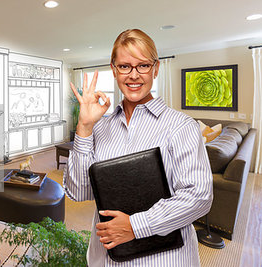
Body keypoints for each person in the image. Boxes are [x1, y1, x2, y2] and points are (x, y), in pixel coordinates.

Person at [63, 29, 213, 266]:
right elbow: (80, 191)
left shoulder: (181, 126)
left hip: (165, 259)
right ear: (114, 69)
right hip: (108, 258)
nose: (133, 75)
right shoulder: (100, 128)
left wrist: (135, 226)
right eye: (124, 66)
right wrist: (84, 127)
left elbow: (199, 197)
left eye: (142, 65)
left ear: (156, 68)